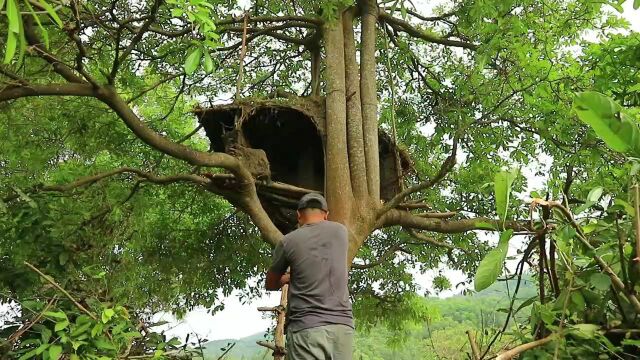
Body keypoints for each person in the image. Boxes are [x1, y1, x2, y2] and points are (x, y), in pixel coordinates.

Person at [266, 193, 354, 360]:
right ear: (326, 214)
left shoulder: (288, 241)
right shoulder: (341, 232)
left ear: (299, 215)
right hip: (342, 327)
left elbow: (270, 283)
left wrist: (289, 277)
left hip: (307, 328)